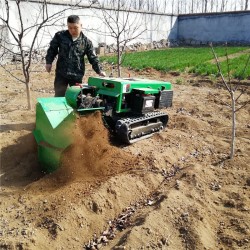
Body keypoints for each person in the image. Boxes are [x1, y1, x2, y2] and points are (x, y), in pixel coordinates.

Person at [45, 15, 106, 97]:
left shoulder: (86, 42)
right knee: (59, 96)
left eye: (75, 27)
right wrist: (49, 62)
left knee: (77, 97)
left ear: (81, 26)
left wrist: (99, 70)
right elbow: (52, 49)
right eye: (70, 27)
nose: (72, 30)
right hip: (61, 73)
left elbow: (93, 58)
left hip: (76, 75)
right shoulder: (60, 36)